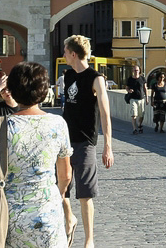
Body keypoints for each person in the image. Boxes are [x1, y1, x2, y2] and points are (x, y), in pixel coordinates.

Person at [0, 62, 72, 248]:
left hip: (11, 219)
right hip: (48, 215)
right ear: (43, 90)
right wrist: (54, 196)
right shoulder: (58, 124)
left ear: (14, 90)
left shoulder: (1, 126)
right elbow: (65, 175)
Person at [61, 35, 115, 248]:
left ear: (73, 54)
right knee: (60, 189)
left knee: (85, 194)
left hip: (85, 142)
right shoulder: (67, 76)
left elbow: (105, 113)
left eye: (65, 51)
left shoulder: (96, 78)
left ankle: (89, 240)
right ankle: (69, 218)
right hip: (65, 141)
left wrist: (107, 147)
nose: (64, 54)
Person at [125, 65, 147, 134]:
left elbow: (145, 88)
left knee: (141, 115)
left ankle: (139, 125)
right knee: (134, 114)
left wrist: (147, 98)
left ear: (139, 71)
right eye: (134, 70)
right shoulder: (130, 79)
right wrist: (129, 90)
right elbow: (126, 87)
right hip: (133, 98)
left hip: (141, 98)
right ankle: (134, 129)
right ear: (132, 71)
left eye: (137, 70)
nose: (136, 72)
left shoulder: (142, 79)